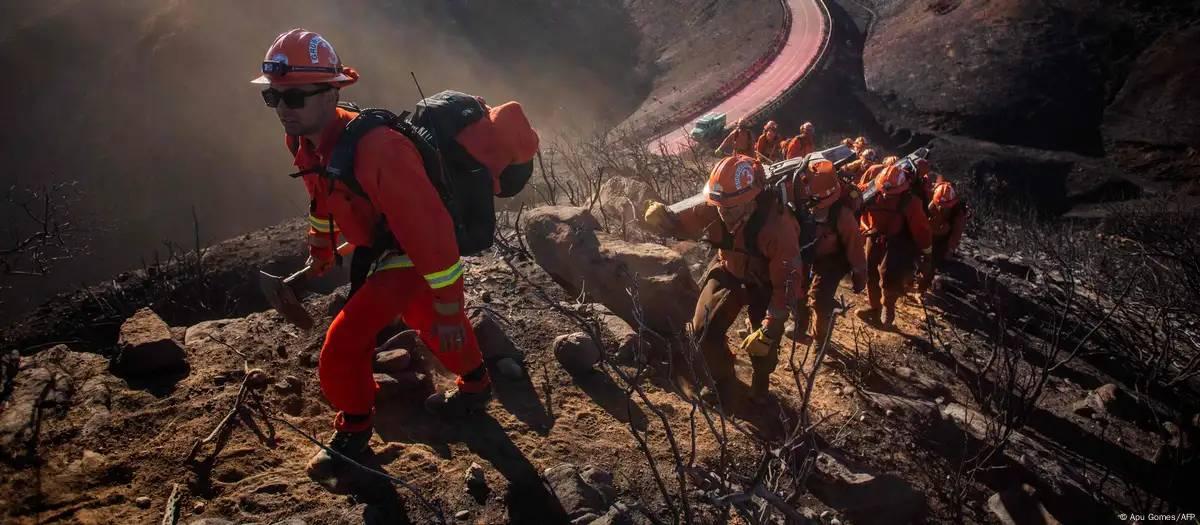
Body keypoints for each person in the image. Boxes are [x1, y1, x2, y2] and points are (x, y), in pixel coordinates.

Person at [252, 28, 491, 478]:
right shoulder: (304, 138)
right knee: (428, 320)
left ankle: (355, 434)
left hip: (406, 251)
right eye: (273, 98)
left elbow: (431, 233)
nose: (282, 109)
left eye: (294, 98)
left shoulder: (380, 149)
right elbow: (321, 194)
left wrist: (448, 302)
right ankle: (477, 385)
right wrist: (322, 246)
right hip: (383, 245)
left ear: (332, 91)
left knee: (342, 346)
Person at [644, 156, 805, 404]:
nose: (722, 212)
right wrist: (663, 221)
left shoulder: (779, 229)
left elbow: (786, 285)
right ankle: (723, 380)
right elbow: (685, 222)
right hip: (729, 270)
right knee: (702, 330)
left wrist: (770, 327)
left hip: (766, 285)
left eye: (729, 208)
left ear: (751, 200)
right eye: (719, 206)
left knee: (763, 345)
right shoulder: (718, 204)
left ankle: (761, 387)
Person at [793, 160, 867, 344]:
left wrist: (860, 278)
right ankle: (800, 328)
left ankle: (820, 339)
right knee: (798, 289)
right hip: (809, 250)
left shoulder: (843, 216)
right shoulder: (804, 203)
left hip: (833, 259)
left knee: (818, 300)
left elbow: (855, 248)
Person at [856, 166, 932, 327]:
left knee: (889, 276)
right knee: (870, 272)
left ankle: (887, 308)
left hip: (899, 242)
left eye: (890, 193)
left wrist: (927, 251)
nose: (885, 194)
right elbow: (854, 197)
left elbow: (921, 229)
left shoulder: (911, 203)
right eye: (882, 191)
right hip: (874, 235)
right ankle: (874, 308)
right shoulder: (871, 192)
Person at [922, 177, 969, 291]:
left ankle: (925, 283)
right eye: (938, 205)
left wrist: (950, 249)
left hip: (943, 237)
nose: (940, 208)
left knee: (934, 260)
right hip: (927, 232)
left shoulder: (958, 213)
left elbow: (956, 233)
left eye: (945, 207)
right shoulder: (930, 199)